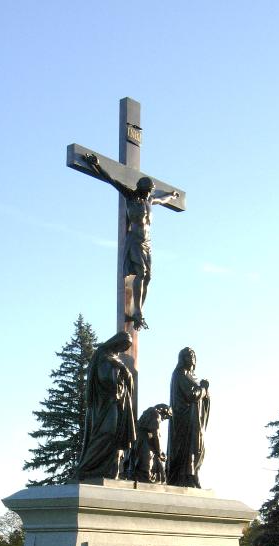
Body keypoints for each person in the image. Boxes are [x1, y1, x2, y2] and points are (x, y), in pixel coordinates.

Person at [83, 152, 178, 330]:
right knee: (141, 273)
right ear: (141, 188)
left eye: (151, 190)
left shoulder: (150, 200)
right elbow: (112, 180)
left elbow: (162, 199)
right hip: (134, 239)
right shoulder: (130, 196)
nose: (150, 192)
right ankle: (137, 312)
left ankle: (139, 310)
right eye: (148, 189)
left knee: (148, 277)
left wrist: (171, 195)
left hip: (147, 242)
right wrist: (96, 165)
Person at [74, 331, 135, 481]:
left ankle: (107, 469)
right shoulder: (103, 355)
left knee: (115, 436)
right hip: (104, 404)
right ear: (116, 342)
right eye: (122, 345)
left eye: (125, 347)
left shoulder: (115, 359)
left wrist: (124, 372)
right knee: (106, 432)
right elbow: (105, 378)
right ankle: (87, 468)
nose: (122, 349)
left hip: (116, 402)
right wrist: (119, 369)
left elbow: (127, 383)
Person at [167, 348, 210, 488]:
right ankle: (185, 476)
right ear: (182, 359)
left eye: (193, 355)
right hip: (184, 419)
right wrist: (203, 389)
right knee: (188, 447)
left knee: (198, 447)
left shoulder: (194, 377)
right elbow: (191, 395)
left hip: (196, 419)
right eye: (187, 356)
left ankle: (193, 474)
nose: (191, 358)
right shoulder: (180, 373)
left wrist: (205, 393)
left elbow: (201, 398)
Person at [129, 404, 172, 483]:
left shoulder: (148, 412)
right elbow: (156, 435)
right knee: (146, 467)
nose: (163, 419)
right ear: (163, 411)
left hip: (138, 441)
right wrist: (159, 452)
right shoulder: (156, 414)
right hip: (145, 443)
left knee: (140, 465)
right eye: (165, 417)